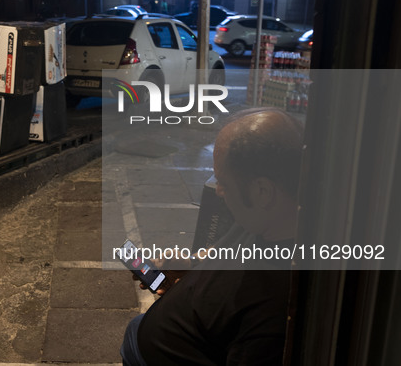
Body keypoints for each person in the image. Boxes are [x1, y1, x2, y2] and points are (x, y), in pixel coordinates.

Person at [121, 108, 304, 365]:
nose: (218, 191)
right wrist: (192, 264)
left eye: (224, 183)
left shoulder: (273, 308)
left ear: (262, 191)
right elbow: (228, 248)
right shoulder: (264, 218)